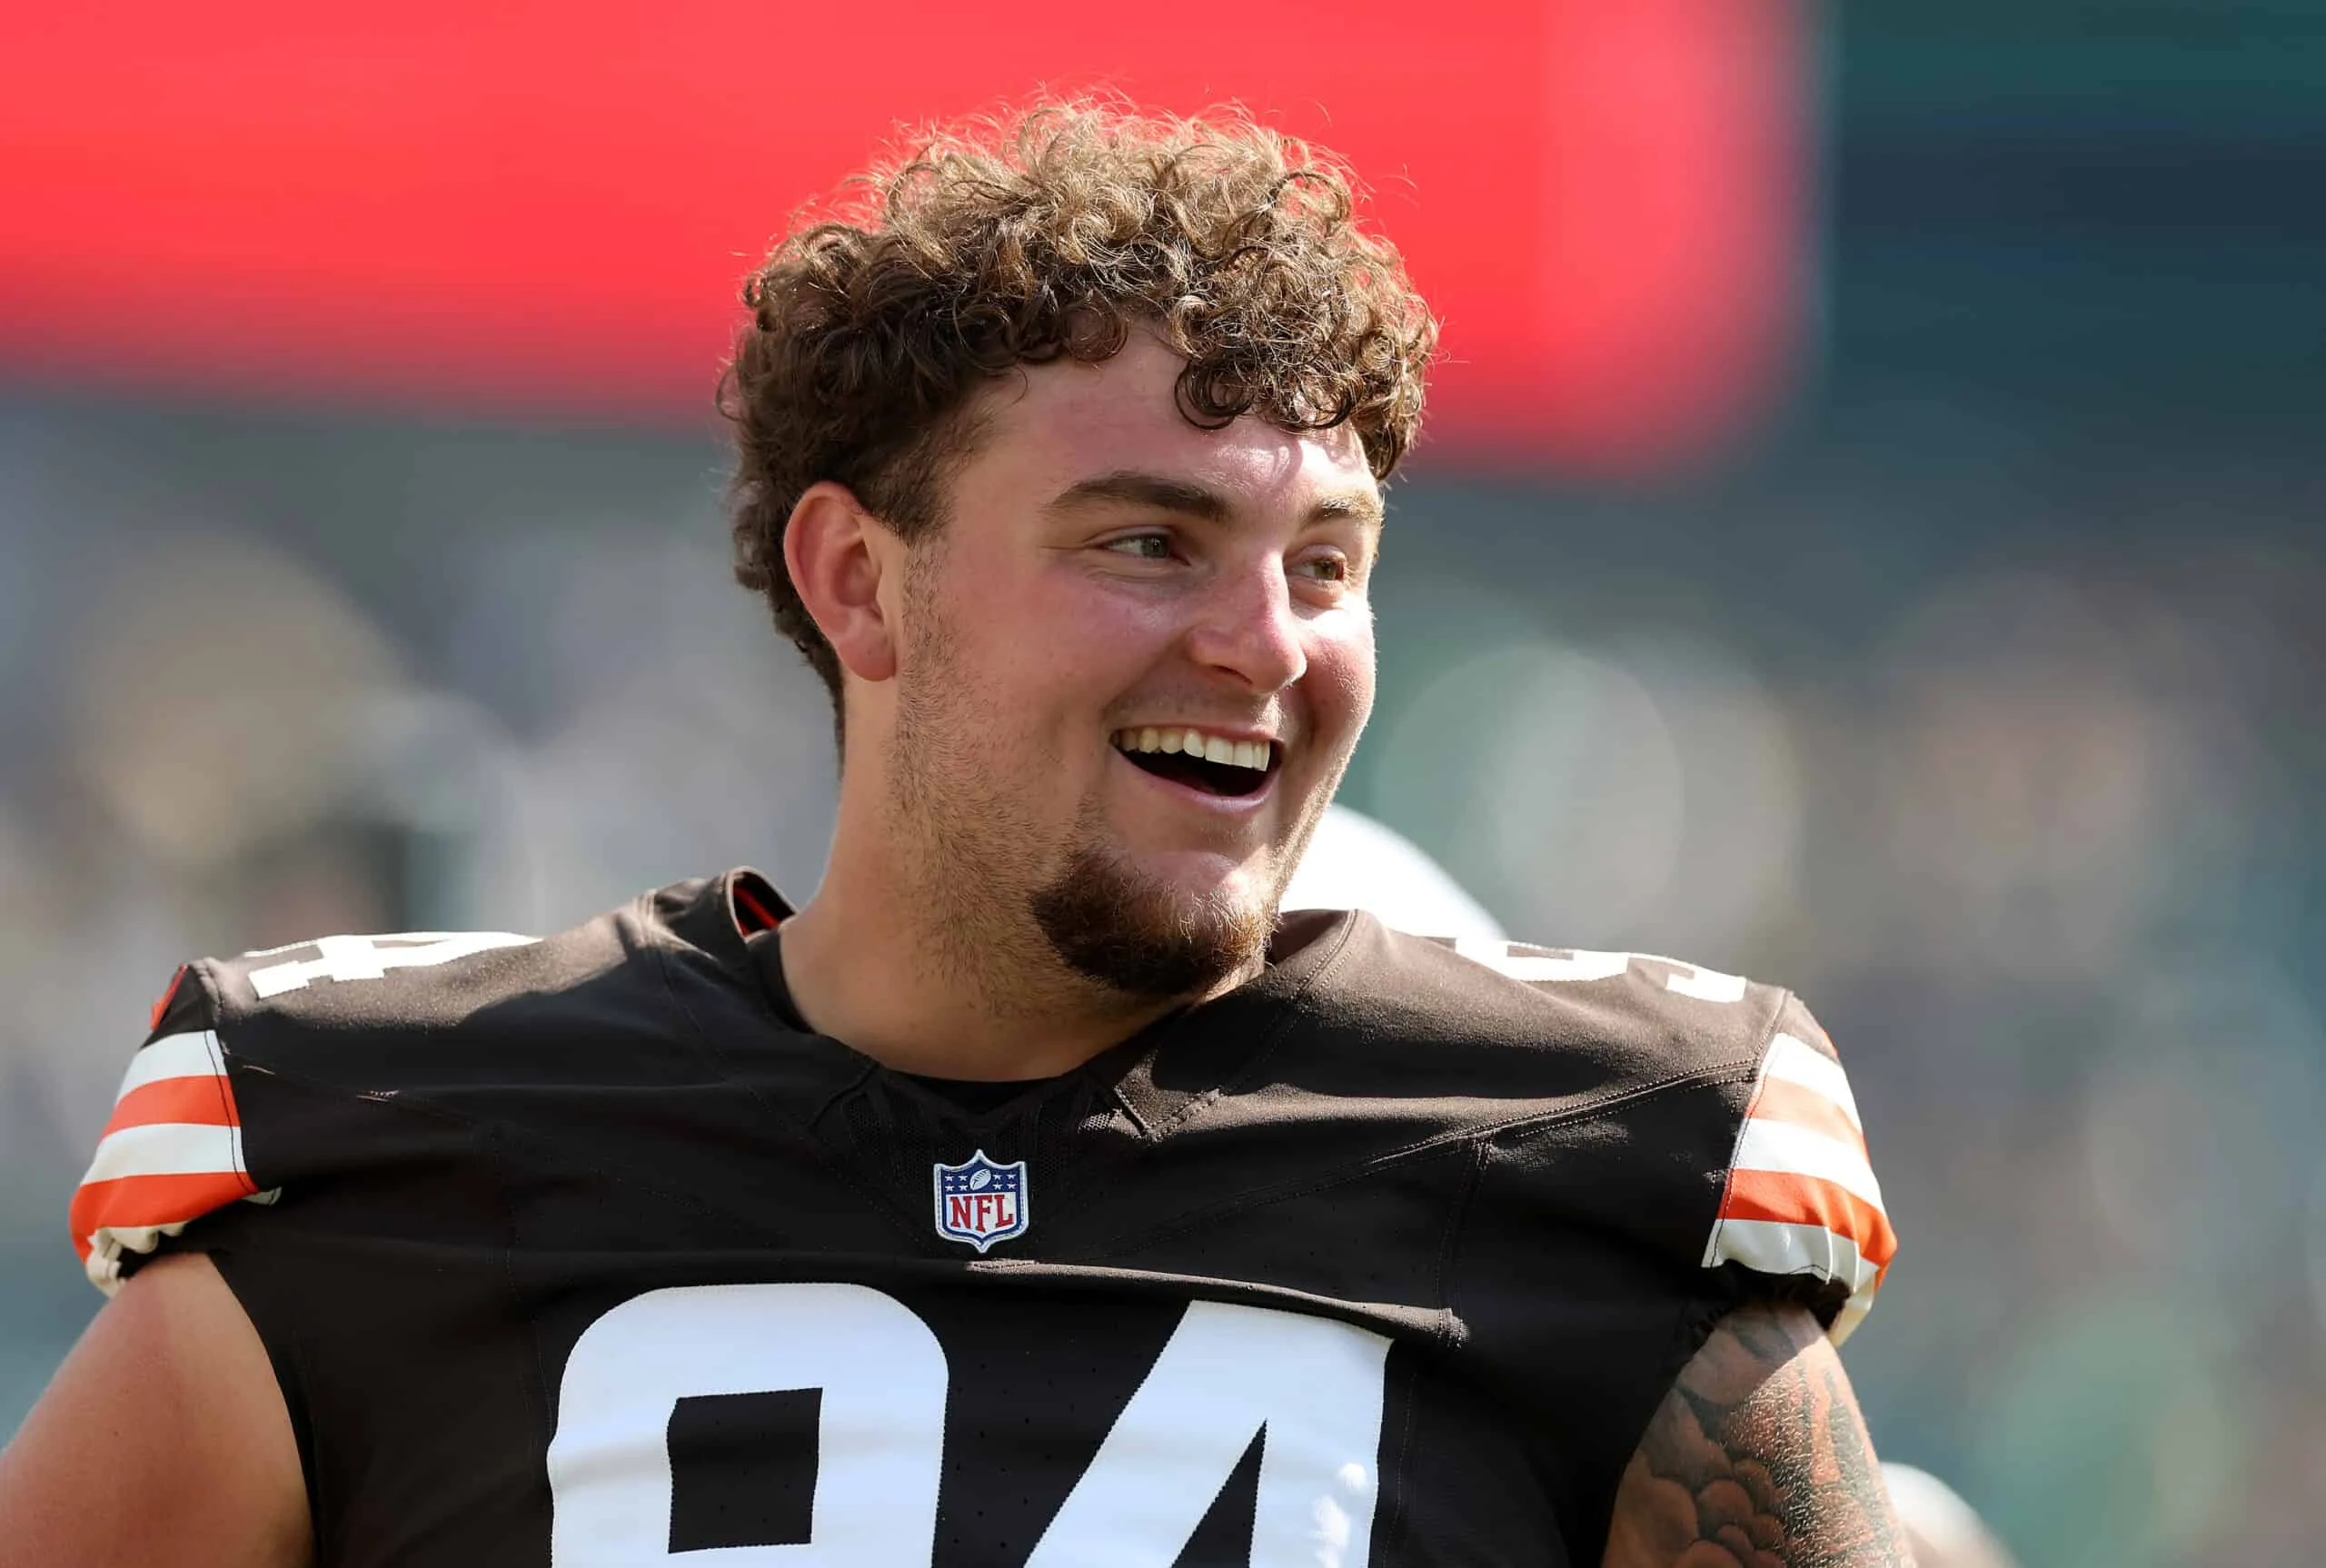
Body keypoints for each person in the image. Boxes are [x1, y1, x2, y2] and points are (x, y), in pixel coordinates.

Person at [0, 103, 1910, 1566]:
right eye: (1144, 540)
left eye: (1324, 563)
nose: (1264, 642)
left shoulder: (1596, 1165)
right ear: (860, 583)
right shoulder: (379, 1158)